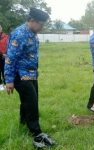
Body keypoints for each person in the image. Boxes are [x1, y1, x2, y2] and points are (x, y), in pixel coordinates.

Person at [5, 8, 55, 148]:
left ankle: (23, 123)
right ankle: (36, 132)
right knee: (32, 103)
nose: (42, 27)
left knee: (28, 100)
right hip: (20, 75)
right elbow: (10, 58)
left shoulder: (33, 33)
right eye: (41, 24)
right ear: (32, 21)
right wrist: (9, 80)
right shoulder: (19, 34)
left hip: (32, 74)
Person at [0, 24, 9, 91]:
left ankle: (6, 84)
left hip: (4, 56)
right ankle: (0, 85)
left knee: (4, 70)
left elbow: (9, 46)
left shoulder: (6, 37)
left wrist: (6, 54)